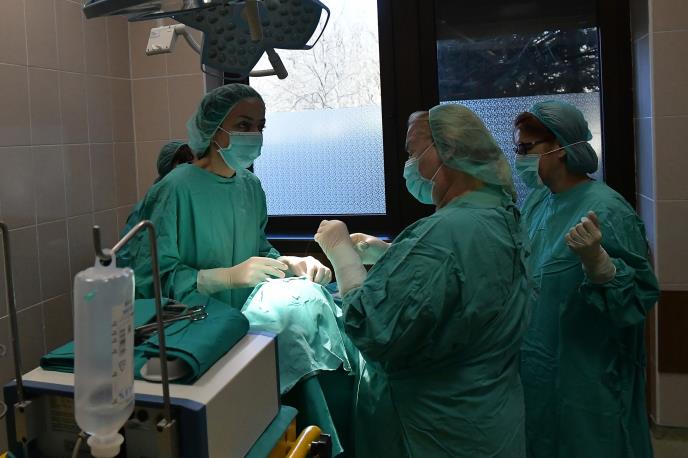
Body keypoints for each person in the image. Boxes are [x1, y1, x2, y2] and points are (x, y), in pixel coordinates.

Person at [315, 104, 531, 457]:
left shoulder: (443, 233)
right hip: (490, 415)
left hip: (440, 427)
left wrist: (341, 252)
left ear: (448, 149)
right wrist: (392, 255)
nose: (409, 163)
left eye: (413, 151)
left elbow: (371, 326)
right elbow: (468, 279)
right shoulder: (499, 214)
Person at [513, 100, 659, 457]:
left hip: (589, 375)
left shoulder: (607, 210)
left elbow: (637, 300)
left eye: (526, 148)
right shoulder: (538, 202)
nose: (519, 158)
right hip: (537, 366)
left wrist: (601, 266)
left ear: (560, 147)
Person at [130, 83, 331, 306]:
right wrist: (224, 278)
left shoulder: (251, 186)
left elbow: (258, 252)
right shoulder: (174, 189)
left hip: (245, 317)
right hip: (194, 318)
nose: (255, 135)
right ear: (213, 128)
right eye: (243, 125)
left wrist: (287, 264)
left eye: (260, 127)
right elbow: (152, 279)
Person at [117, 141, 195, 267]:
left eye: (191, 164)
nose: (187, 171)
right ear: (168, 169)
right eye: (182, 165)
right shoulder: (150, 205)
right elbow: (124, 254)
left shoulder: (190, 201)